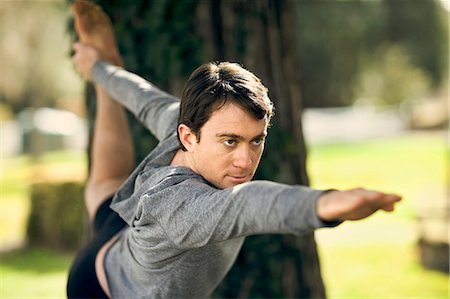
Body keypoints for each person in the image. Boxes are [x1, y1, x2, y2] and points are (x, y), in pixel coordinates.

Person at [67, 1, 401, 298]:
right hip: (99, 289)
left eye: (256, 140)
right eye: (230, 141)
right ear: (188, 136)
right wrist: (323, 204)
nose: (245, 161)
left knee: (104, 184)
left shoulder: (183, 123)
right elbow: (249, 205)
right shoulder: (184, 209)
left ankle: (102, 79)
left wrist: (101, 69)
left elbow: (141, 97)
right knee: (104, 184)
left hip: (122, 235)